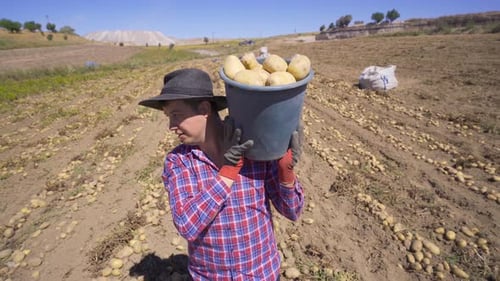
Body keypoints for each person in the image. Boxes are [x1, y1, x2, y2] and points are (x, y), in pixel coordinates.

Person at [139, 68, 304, 280]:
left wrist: (285, 173)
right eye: (169, 117)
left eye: (176, 115)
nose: (171, 126)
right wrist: (227, 172)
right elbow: (186, 224)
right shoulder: (179, 162)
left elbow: (293, 211)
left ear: (205, 108)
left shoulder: (254, 150)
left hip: (262, 274)